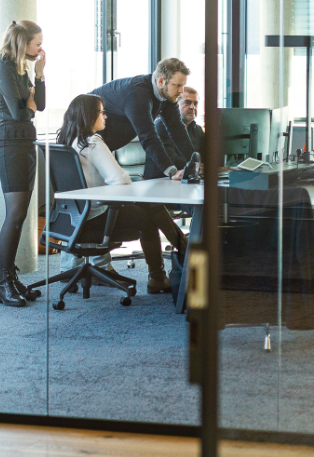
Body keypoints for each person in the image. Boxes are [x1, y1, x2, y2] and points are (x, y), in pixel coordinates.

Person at [56, 94, 187, 289]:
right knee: (151, 213)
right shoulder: (92, 142)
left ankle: (179, 255)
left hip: (73, 216)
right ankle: (165, 271)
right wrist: (127, 178)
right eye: (101, 112)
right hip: (96, 217)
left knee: (149, 207)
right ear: (89, 116)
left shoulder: (68, 141)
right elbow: (119, 179)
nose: (106, 117)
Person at [89, 58, 193, 292]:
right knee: (149, 206)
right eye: (177, 86)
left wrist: (198, 161)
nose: (181, 91)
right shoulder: (138, 95)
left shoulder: (164, 97)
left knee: (150, 205)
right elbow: (148, 137)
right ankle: (175, 255)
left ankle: (165, 268)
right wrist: (171, 170)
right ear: (161, 81)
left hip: (105, 149)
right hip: (92, 148)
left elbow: (177, 130)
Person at [0, 20, 46, 307]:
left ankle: (10, 278)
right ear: (23, 42)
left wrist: (40, 75)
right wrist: (30, 105)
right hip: (8, 143)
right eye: (37, 43)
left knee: (20, 215)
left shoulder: (22, 69)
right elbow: (20, 113)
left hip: (24, 142)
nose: (41, 48)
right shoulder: (2, 67)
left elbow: (40, 106)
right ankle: (2, 282)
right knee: (15, 214)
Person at [154, 85, 205, 172]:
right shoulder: (161, 126)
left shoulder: (197, 129)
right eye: (187, 102)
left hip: (187, 177)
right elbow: (172, 160)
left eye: (195, 103)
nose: (192, 107)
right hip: (161, 180)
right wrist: (198, 165)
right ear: (175, 105)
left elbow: (207, 155)